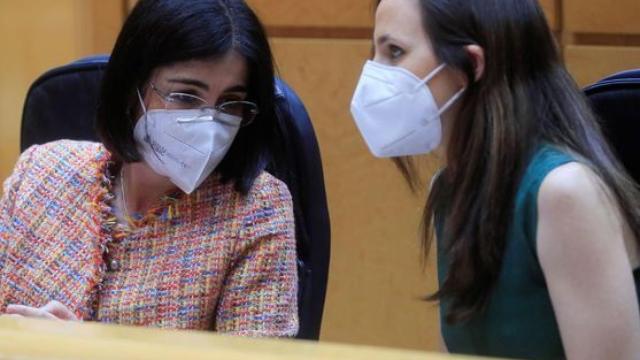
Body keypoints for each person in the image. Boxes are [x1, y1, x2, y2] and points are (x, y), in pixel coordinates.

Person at [350, 0, 640, 358]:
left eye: (395, 52)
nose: (375, 74)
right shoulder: (448, 188)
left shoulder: (564, 193)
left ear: (471, 65)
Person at [0, 0, 298, 337]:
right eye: (186, 96)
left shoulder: (256, 209)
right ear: (132, 90)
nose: (211, 124)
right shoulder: (41, 173)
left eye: (231, 103)